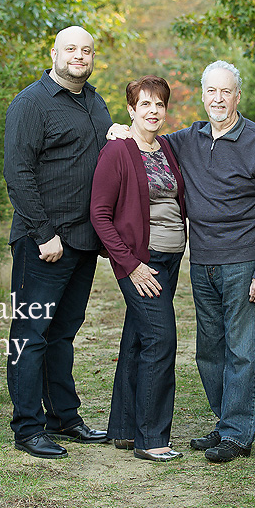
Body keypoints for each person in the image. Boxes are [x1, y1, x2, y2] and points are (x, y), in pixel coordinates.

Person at [111, 61, 255, 462]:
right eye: (211, 92)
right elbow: (147, 136)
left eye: (226, 92)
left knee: (243, 349)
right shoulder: (188, 139)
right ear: (203, 95)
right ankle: (225, 421)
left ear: (237, 96)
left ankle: (237, 434)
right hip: (201, 261)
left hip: (243, 261)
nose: (218, 99)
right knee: (209, 350)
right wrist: (119, 130)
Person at [2, 26, 114, 459]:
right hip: (44, 243)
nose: (79, 56)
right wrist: (44, 233)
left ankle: (63, 417)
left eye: (86, 50)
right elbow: (18, 174)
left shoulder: (94, 101)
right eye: (71, 49)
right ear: (54, 53)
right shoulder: (31, 104)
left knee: (63, 333)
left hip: (84, 241)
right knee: (31, 334)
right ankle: (28, 428)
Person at [90, 75, 187, 462]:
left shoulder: (166, 147)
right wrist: (131, 265)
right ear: (131, 109)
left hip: (170, 257)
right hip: (141, 262)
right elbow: (99, 214)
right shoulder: (117, 151)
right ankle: (151, 438)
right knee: (160, 341)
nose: (153, 111)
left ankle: (126, 428)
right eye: (144, 104)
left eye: (159, 104)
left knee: (138, 338)